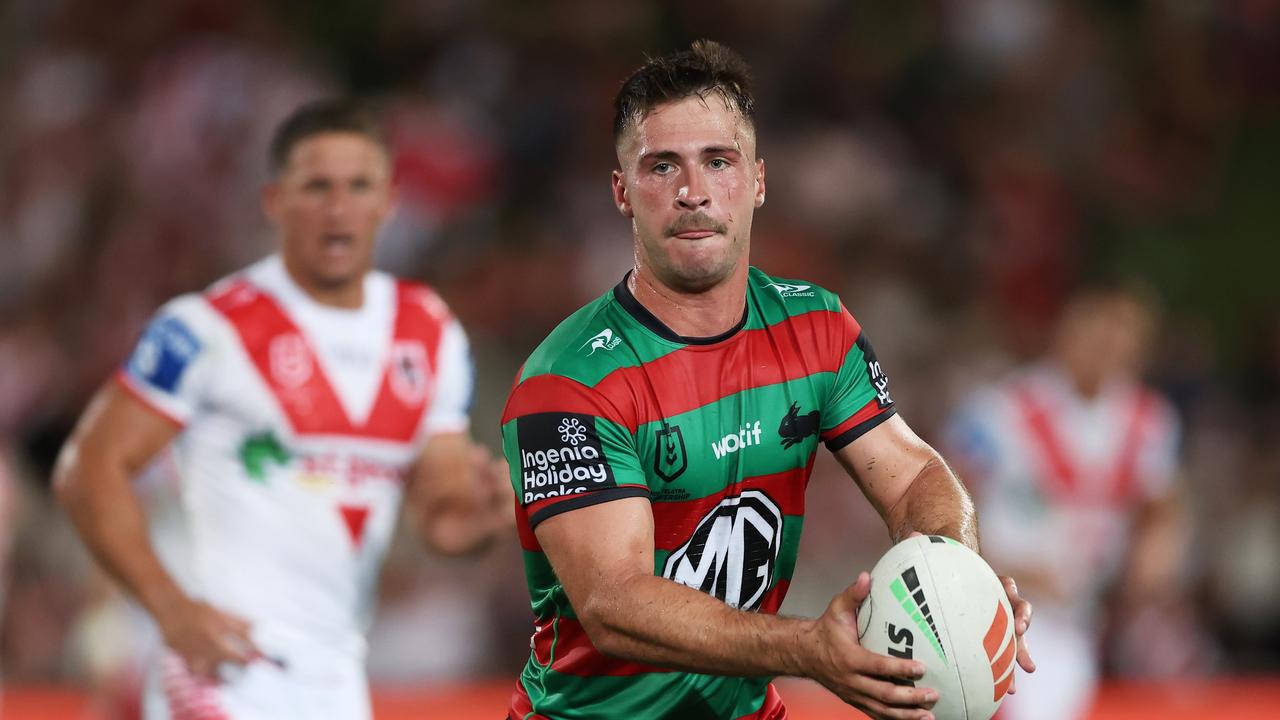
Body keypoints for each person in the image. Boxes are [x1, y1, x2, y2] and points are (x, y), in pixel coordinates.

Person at [499, 41, 1033, 720]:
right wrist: (806, 648)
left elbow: (915, 476)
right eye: (663, 166)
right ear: (622, 191)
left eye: (717, 162)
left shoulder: (816, 327)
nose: (693, 192)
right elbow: (614, 605)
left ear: (755, 180)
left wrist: (959, 583)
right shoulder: (568, 382)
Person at [54, 99, 511, 720]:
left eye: (359, 186)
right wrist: (170, 610)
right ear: (274, 201)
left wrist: (486, 518)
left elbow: (441, 520)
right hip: (220, 667)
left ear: (390, 200)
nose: (338, 208)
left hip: (337, 675)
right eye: (316, 186)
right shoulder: (207, 327)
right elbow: (88, 468)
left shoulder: (429, 332)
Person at [944, 283, 1189, 720]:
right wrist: (994, 563)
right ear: (1067, 332)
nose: (1105, 351)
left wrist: (1149, 566)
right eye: (1096, 335)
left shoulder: (1149, 421)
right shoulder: (1002, 410)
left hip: (1085, 612)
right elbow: (945, 501)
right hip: (1002, 604)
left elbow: (1161, 510)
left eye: (1120, 341)